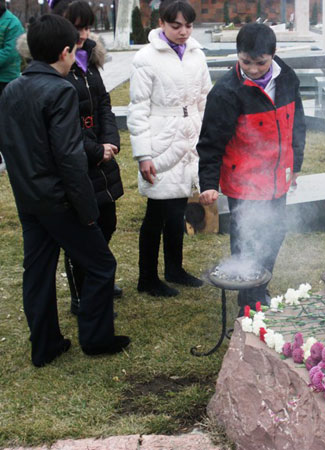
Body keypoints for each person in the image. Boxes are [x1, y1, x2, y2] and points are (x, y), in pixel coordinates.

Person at [0, 14, 129, 367]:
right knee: (101, 264)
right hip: (58, 200)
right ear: (64, 52)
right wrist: (87, 210)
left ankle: (45, 345)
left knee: (38, 271)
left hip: (29, 199)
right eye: (73, 51)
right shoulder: (60, 90)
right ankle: (96, 339)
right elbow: (69, 156)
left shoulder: (12, 88)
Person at [197, 23, 306, 316]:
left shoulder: (287, 78)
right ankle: (249, 302)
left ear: (273, 54)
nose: (254, 70)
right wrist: (208, 183)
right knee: (247, 237)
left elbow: (297, 123)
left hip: (278, 176)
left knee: (275, 232)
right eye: (246, 62)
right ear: (238, 55)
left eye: (261, 62)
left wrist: (296, 164)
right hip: (244, 180)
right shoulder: (225, 92)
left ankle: (259, 286)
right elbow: (210, 142)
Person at [128, 0, 211, 297]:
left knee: (178, 208)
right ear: (161, 23)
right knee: (157, 212)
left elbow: (205, 98)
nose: (183, 32)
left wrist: (207, 137)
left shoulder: (197, 55)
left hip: (190, 137)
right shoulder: (145, 58)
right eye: (176, 26)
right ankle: (147, 277)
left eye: (188, 26)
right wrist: (144, 154)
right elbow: (138, 108)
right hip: (161, 139)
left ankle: (174, 268)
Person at [50, 0, 124, 314]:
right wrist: (96, 150)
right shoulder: (54, 66)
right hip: (78, 161)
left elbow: (104, 103)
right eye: (76, 27)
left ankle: (97, 277)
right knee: (83, 233)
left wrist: (110, 140)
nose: (83, 34)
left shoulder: (88, 59)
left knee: (107, 222)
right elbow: (62, 125)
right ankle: (82, 295)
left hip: (100, 157)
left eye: (87, 27)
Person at [0, 0, 25, 170]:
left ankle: (12, 155)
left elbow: (9, 53)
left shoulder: (12, 23)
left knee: (7, 122)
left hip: (6, 80)